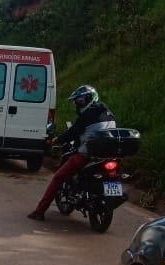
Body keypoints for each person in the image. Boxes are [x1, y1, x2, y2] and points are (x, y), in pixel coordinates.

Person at [27, 84, 117, 220]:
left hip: (87, 155)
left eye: (81, 101)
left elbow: (73, 133)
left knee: (58, 177)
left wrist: (57, 140)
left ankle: (40, 211)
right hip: (109, 155)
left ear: (91, 98)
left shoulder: (88, 114)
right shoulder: (108, 113)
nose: (79, 104)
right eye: (78, 101)